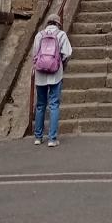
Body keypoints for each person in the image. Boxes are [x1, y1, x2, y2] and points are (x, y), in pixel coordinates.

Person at [31, 12, 73, 146]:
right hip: (55, 73)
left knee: (40, 105)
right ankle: (52, 139)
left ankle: (38, 137)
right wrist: (61, 63)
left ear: (47, 23)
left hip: (40, 74)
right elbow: (68, 53)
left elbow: (35, 54)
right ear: (58, 23)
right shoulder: (61, 35)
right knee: (54, 105)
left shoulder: (39, 35)